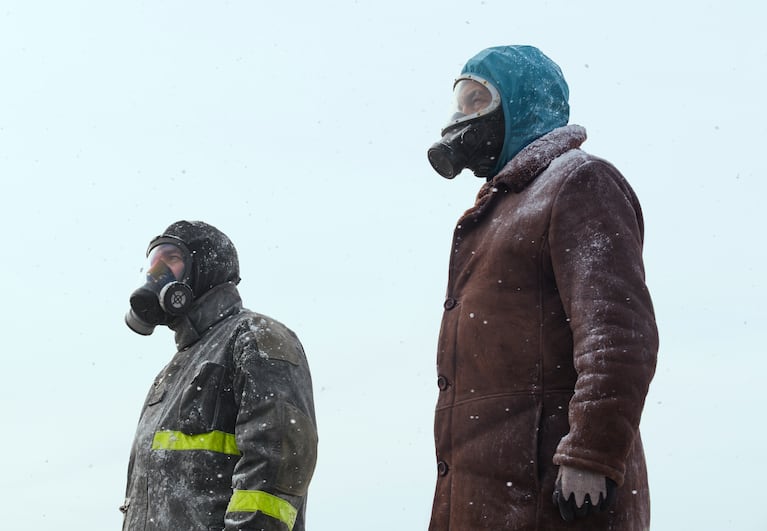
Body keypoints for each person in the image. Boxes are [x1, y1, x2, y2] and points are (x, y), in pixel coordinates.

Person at [426, 45, 658, 530]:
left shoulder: (579, 181)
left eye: (477, 101)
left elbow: (618, 333)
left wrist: (592, 453)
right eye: (460, 100)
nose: (462, 116)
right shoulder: (499, 209)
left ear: (521, 101)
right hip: (489, 493)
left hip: (551, 498)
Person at [121, 220, 318, 531]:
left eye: (171, 259)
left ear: (206, 269)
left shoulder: (256, 337)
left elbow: (278, 466)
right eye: (153, 264)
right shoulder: (174, 371)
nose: (156, 275)